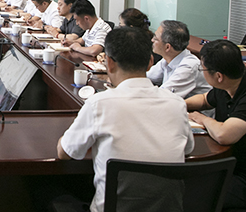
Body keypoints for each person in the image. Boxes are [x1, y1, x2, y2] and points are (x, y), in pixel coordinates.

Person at [56, 27, 194, 212]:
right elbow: (187, 149)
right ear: (150, 62)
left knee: (44, 191)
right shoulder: (177, 104)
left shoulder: (99, 104)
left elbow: (64, 152)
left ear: (109, 63)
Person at [186, 40, 246, 210]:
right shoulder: (229, 82)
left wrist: (202, 119)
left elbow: (224, 135)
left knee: (193, 194)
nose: (202, 72)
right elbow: (204, 100)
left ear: (219, 76)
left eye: (203, 69)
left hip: (244, 176)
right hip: (231, 164)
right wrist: (179, 104)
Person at [146, 20, 212, 98]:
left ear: (167, 47)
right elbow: (147, 77)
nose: (152, 40)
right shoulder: (168, 58)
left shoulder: (188, 67)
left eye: (155, 38)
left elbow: (162, 96)